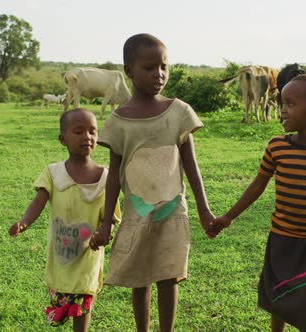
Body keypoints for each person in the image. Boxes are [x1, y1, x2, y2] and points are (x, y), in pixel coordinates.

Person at [88, 33, 217, 332]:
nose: (159, 74)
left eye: (164, 66)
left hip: (173, 210)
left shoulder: (179, 112)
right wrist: (107, 222)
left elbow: (191, 166)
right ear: (129, 71)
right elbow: (114, 177)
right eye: (149, 67)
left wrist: (204, 210)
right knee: (141, 276)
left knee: (169, 275)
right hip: (137, 212)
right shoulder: (119, 121)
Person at [212, 74, 306, 332]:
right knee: (278, 298)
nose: (281, 110)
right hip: (282, 238)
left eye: (289, 104)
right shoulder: (277, 147)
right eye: (281, 103)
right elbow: (257, 185)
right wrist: (228, 217)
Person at [8, 108, 120, 332]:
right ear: (62, 139)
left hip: (89, 252)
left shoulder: (107, 177)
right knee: (62, 299)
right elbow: (39, 201)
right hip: (61, 254)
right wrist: (24, 222)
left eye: (92, 132)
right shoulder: (53, 173)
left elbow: (111, 217)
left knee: (84, 299)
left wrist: (104, 232)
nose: (87, 137)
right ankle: (60, 312)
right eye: (78, 131)